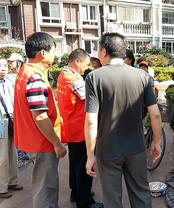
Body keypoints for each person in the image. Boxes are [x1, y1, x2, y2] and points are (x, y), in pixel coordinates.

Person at [84, 32, 162, 208]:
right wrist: (156, 142)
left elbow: (90, 121)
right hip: (136, 147)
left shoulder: (94, 77)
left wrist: (90, 155)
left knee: (112, 199)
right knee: (141, 193)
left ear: (103, 51)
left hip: (108, 150)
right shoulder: (142, 77)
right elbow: (155, 114)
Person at [14, 32, 67, 208]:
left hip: (32, 139)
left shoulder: (24, 71)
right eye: (53, 50)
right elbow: (40, 115)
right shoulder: (35, 77)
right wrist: (57, 143)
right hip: (42, 142)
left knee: (42, 185)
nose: (55, 55)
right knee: (46, 189)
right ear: (43, 53)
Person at [56, 49, 103, 208]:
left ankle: (75, 193)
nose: (86, 68)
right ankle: (85, 202)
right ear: (77, 61)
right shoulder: (73, 79)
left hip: (71, 128)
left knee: (75, 163)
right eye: (85, 64)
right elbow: (92, 100)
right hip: (81, 130)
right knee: (85, 165)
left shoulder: (63, 75)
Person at [0, 59, 22, 199]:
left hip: (11, 119)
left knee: (12, 151)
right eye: (0, 66)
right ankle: (2, 188)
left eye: (5, 66)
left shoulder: (8, 82)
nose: (3, 68)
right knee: (2, 155)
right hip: (1, 120)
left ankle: (12, 181)